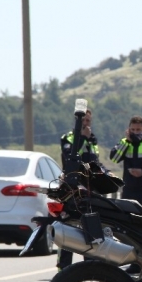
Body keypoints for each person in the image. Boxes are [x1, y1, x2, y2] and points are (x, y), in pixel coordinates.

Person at [58, 109, 99, 270]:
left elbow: (95, 160)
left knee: (89, 227)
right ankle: (64, 266)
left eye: (88, 121)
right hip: (71, 188)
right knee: (68, 226)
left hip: (89, 188)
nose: (86, 124)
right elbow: (70, 157)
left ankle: (89, 265)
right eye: (83, 121)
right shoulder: (68, 138)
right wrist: (82, 138)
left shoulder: (92, 139)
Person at [110, 115, 142, 215]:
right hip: (129, 190)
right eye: (133, 130)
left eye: (138, 129)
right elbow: (114, 159)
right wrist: (127, 142)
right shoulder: (124, 142)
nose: (135, 132)